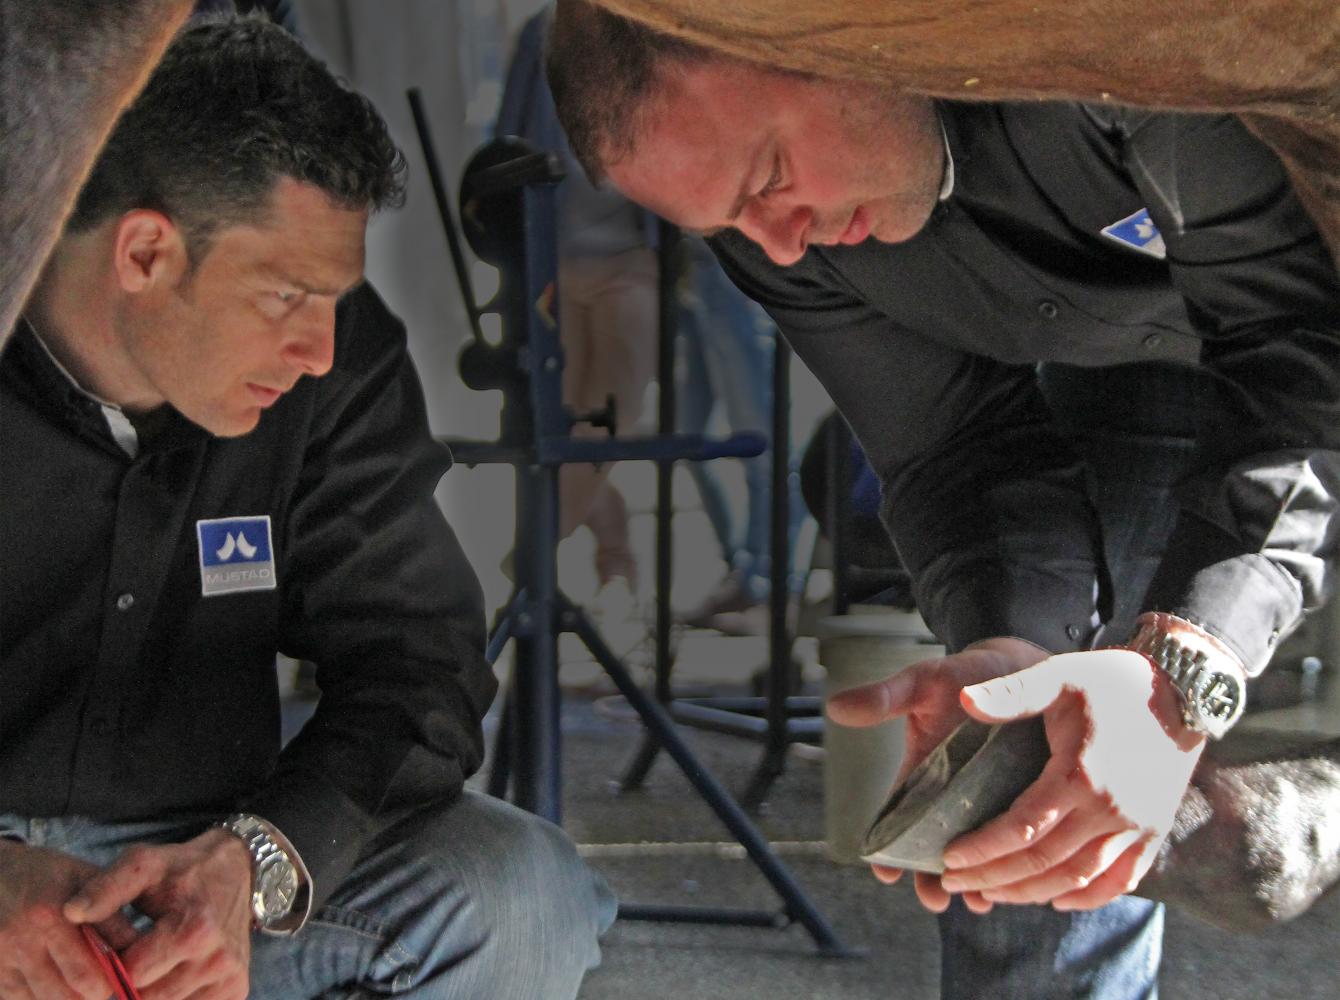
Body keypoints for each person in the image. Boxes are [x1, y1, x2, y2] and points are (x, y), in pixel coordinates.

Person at [545, 3, 1340, 998]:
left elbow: (1300, 361)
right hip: (1133, 361)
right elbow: (953, 441)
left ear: (837, 42)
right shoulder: (778, 239)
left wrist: (1184, 661)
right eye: (729, 224)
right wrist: (1009, 650)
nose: (780, 247)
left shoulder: (1106, 48)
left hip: (1304, 317)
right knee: (1028, 775)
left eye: (770, 180)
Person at [0, 17, 612, 1000]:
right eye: (284, 295)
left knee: (520, 886)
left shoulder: (333, 368)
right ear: (147, 252)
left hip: (207, 861)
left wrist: (258, 859)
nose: (321, 349)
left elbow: (420, 658)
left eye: (335, 299)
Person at [496, 3, 660, 634]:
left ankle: (537, 549)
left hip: (631, 260)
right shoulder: (542, 33)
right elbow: (506, 140)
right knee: (565, 425)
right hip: (554, 265)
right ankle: (615, 568)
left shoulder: (654, 26)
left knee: (611, 418)